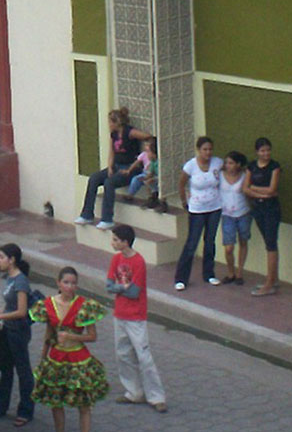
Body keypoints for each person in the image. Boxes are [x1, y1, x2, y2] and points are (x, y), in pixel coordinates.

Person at [32, 266, 108, 432]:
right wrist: (42, 358)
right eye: (66, 282)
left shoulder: (85, 305)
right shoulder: (48, 305)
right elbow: (49, 334)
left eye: (73, 283)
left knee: (84, 404)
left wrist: (72, 336)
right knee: (56, 399)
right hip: (56, 357)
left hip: (78, 358)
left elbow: (92, 336)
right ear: (58, 283)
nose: (70, 286)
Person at [106, 224, 167, 412]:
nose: (113, 243)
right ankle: (134, 392)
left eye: (116, 239)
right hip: (120, 314)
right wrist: (122, 288)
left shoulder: (138, 262)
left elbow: (134, 292)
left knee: (143, 356)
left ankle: (156, 396)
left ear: (125, 242)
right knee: (123, 354)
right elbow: (109, 285)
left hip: (136, 316)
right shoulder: (116, 259)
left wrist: (121, 288)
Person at [75, 107, 152, 230]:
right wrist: (110, 167)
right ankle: (87, 214)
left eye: (111, 122)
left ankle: (107, 219)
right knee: (94, 178)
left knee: (109, 183)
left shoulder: (129, 132)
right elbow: (112, 152)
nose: (109, 125)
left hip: (130, 168)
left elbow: (147, 136)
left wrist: (148, 152)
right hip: (116, 166)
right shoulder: (114, 135)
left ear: (117, 122)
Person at [0, 243, 35, 427]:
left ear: (12, 260)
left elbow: (21, 311)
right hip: (7, 330)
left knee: (23, 370)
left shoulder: (20, 281)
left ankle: (26, 409)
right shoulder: (9, 278)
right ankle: (1, 405)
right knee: (6, 368)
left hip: (18, 331)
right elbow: (10, 304)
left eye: (1, 257)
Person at [173, 136, 224, 291]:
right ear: (199, 150)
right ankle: (181, 278)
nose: (208, 153)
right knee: (192, 243)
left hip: (215, 207)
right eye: (204, 149)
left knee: (210, 241)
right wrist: (184, 202)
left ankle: (209, 274)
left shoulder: (218, 163)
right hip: (197, 209)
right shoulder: (190, 166)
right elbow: (181, 184)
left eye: (210, 149)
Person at [244, 137, 281, 297]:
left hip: (271, 209)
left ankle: (269, 282)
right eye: (262, 151)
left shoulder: (274, 167)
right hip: (257, 208)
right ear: (257, 152)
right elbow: (245, 188)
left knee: (271, 244)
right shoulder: (251, 166)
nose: (266, 153)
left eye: (268, 150)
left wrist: (255, 189)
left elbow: (272, 189)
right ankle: (273, 278)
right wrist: (260, 192)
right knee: (267, 241)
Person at [218, 151, 250, 285]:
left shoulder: (244, 176)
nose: (228, 165)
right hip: (227, 215)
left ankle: (239, 273)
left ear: (238, 164)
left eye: (231, 163)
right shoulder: (220, 176)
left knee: (243, 241)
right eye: (226, 163)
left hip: (243, 213)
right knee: (229, 247)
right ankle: (230, 272)